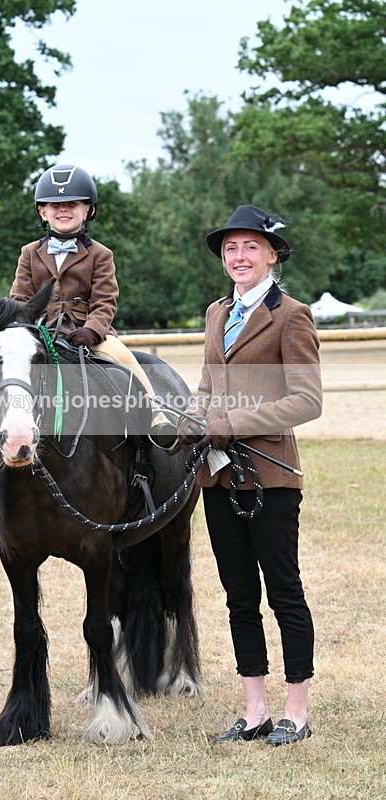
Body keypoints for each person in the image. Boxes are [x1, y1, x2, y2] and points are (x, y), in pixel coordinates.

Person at [178, 205, 322, 746]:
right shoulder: (216, 313)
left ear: (272, 255)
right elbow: (207, 387)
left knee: (284, 593)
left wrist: (233, 423)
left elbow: (306, 400)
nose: (239, 256)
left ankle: (296, 712)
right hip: (218, 477)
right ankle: (255, 710)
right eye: (230, 248)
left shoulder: (292, 316)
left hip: (271, 477)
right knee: (239, 596)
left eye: (250, 247)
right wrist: (193, 418)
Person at [0, 164, 176, 471]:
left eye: (72, 204)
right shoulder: (29, 253)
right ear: (42, 212)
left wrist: (92, 330)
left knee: (123, 358)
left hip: (88, 335)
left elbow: (105, 301)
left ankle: (156, 417)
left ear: (89, 210)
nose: (63, 210)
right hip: (40, 332)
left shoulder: (101, 254)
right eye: (55, 205)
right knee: (0, 371)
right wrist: (23, 328)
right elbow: (20, 299)